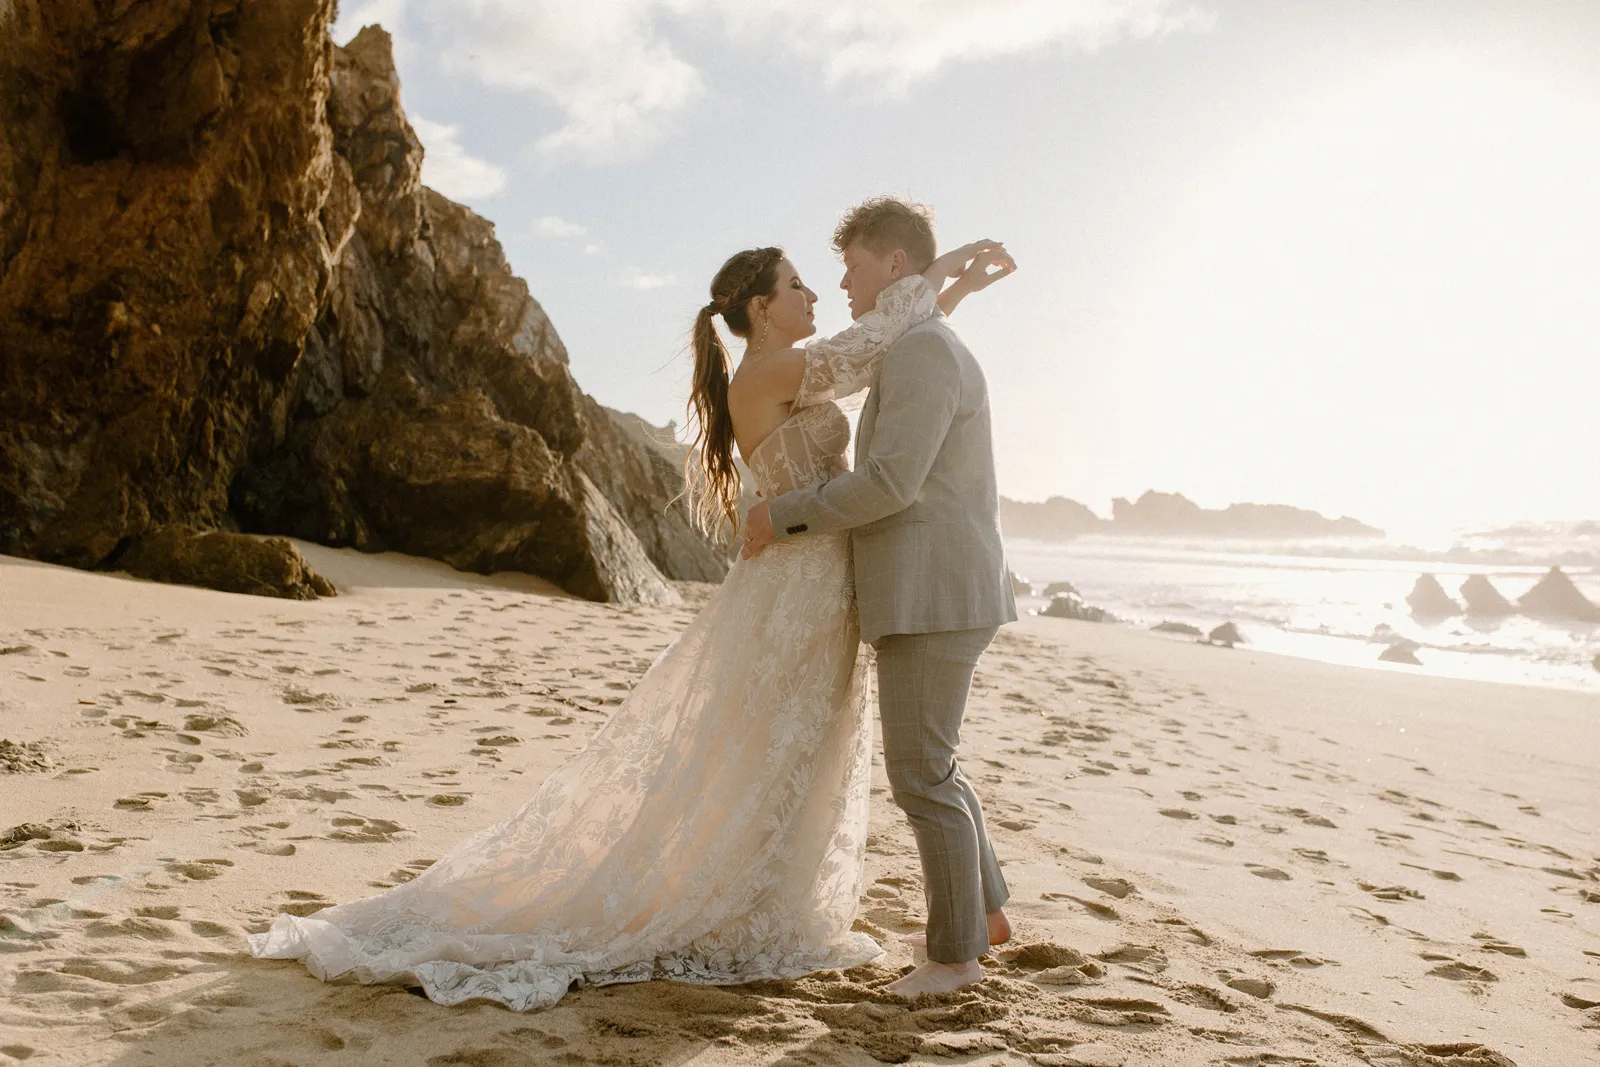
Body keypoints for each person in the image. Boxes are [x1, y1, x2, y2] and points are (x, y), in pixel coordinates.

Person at [248, 211, 1014, 1011]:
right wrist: (941, 273)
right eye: (796, 284)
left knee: (820, 750)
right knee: (790, 746)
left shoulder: (801, 363)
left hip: (825, 576)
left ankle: (850, 898)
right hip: (801, 577)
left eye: (829, 275)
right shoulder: (769, 372)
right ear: (758, 307)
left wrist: (944, 285)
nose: (819, 290)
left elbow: (893, 349)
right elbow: (873, 352)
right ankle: (756, 894)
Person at [743, 197, 1018, 996]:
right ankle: (987, 917)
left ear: (894, 265)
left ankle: (955, 958)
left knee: (922, 774)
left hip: (936, 594)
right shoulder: (918, 343)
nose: (843, 282)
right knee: (939, 767)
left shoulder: (926, 353)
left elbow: (893, 483)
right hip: (938, 589)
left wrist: (781, 515)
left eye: (854, 265)